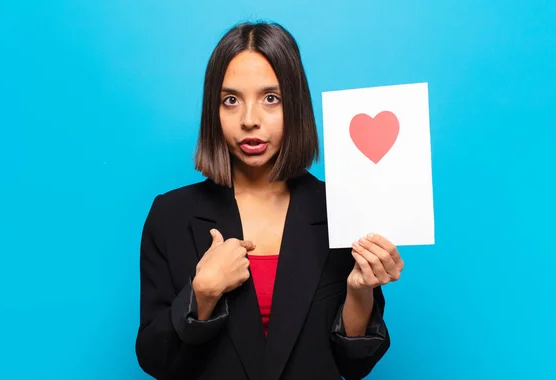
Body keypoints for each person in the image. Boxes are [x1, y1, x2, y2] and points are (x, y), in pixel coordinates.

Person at [135, 21, 404, 380]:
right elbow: (155, 359)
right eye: (231, 100)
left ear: (295, 105)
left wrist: (360, 292)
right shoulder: (171, 215)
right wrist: (201, 294)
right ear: (212, 112)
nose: (250, 120)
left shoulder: (342, 209)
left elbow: (353, 364)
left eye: (271, 99)